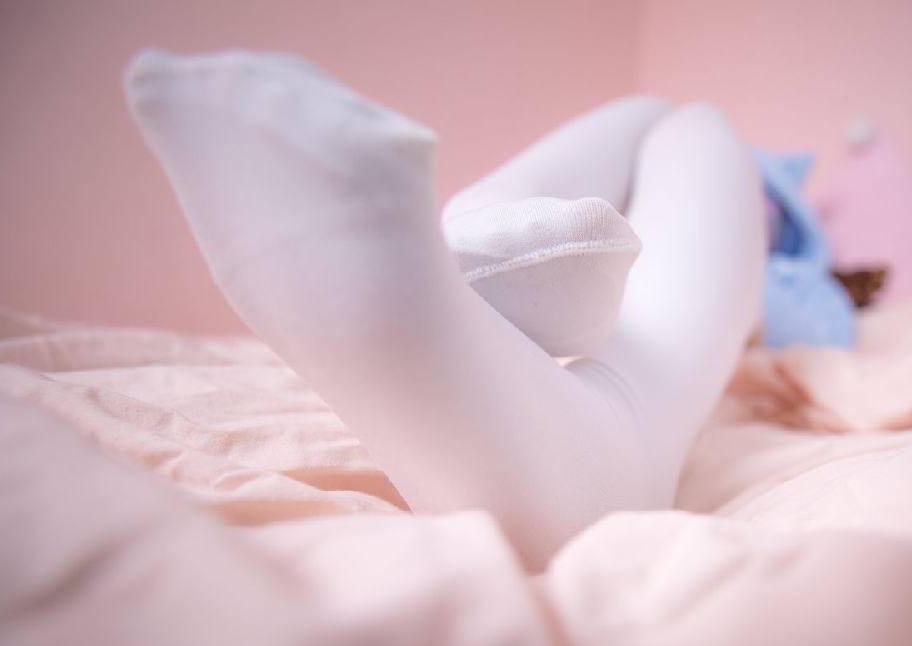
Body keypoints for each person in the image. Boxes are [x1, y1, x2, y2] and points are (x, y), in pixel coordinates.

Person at [126, 50, 764, 569]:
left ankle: (479, 230)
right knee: (665, 119)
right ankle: (496, 245)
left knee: (697, 125)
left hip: (623, 239)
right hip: (643, 247)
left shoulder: (798, 268)